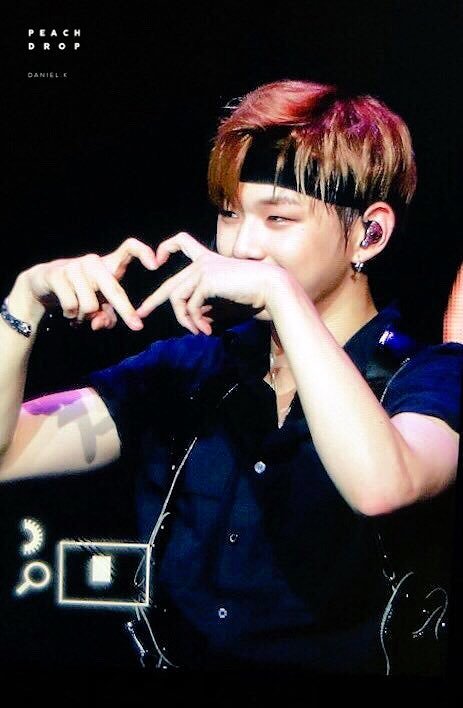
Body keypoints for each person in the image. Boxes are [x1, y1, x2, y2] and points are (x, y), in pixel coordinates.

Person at [0, 80, 461, 675]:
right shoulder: (189, 369)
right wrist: (23, 304)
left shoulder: (430, 376)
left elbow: (383, 486)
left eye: (278, 217)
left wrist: (279, 293)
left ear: (368, 233)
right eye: (229, 214)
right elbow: (7, 454)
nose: (241, 245)